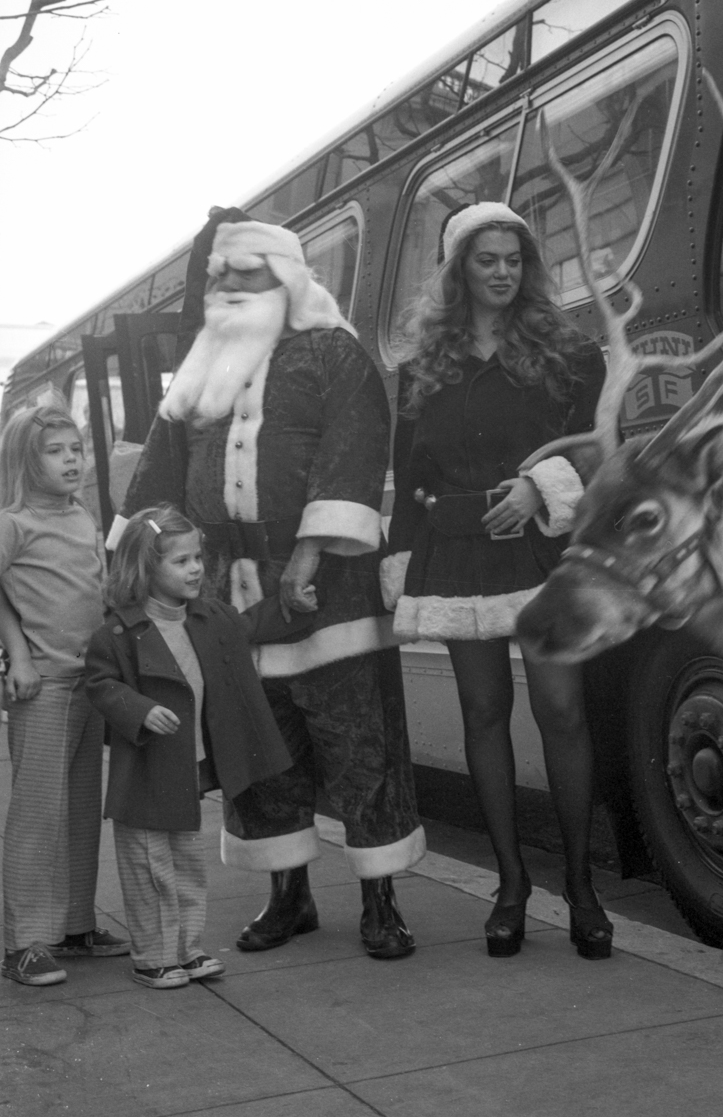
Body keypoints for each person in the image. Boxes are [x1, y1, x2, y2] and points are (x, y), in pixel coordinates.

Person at [115, 214, 424, 960]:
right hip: (225, 595)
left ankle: (381, 899)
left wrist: (309, 559)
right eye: (220, 277)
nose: (226, 289)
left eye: (243, 275)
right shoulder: (195, 377)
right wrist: (139, 570)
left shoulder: (332, 354)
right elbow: (158, 485)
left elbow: (349, 457)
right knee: (261, 749)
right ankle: (289, 897)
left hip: (331, 590)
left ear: (284, 279)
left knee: (358, 744)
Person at [382, 201, 612, 959]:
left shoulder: (571, 354)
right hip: (458, 553)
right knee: (484, 714)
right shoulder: (422, 368)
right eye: (488, 261)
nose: (504, 273)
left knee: (562, 712)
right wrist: (400, 567)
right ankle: (511, 886)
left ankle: (581, 887)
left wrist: (539, 484)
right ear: (459, 271)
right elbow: (409, 471)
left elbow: (591, 449)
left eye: (514, 259)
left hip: (543, 550)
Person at [86, 505, 300, 988]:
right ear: (145, 568)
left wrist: (291, 603)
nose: (196, 568)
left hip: (183, 768)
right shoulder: (120, 630)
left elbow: (248, 626)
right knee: (147, 866)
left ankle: (186, 950)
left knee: (186, 864)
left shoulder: (207, 617)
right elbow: (99, 683)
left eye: (197, 557)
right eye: (181, 561)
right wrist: (138, 709)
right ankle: (151, 957)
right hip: (144, 772)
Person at [0, 402, 130, 987]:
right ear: (28, 461)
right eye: (56, 452)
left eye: (75, 449)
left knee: (80, 809)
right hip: (45, 686)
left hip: (90, 683)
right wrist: (18, 656)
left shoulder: (81, 517)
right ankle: (25, 942)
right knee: (37, 816)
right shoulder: (13, 523)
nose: (72, 460)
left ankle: (76, 926)